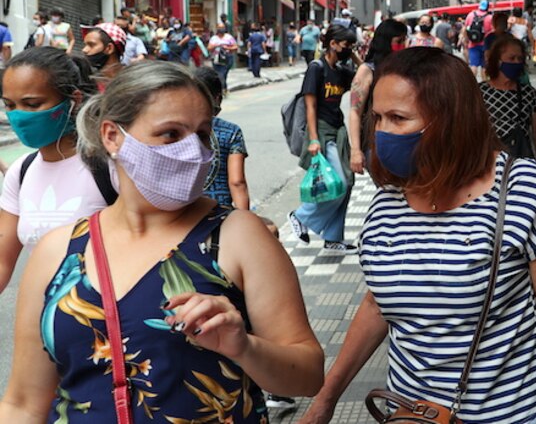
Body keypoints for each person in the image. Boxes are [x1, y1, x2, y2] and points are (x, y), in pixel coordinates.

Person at [299, 47, 536, 424]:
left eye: (398, 118)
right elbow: (378, 302)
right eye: (378, 118)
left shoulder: (522, 190)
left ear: (449, 120)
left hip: (517, 413)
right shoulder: (387, 203)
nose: (381, 132)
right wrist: (326, 399)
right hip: (412, 415)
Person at [0, 61, 324, 421]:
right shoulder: (57, 251)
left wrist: (245, 347)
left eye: (202, 134)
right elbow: (23, 402)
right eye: (170, 134)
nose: (194, 152)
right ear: (112, 136)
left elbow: (308, 376)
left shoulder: (240, 236)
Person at [0, 48, 104, 293]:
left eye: (32, 104)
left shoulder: (107, 168)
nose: (19, 116)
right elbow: (3, 261)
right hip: (42, 319)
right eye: (10, 105)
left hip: (109, 322)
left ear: (74, 100)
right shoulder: (20, 171)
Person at [286, 24, 360, 255]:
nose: (348, 49)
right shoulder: (316, 68)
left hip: (338, 131)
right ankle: (300, 216)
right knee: (338, 183)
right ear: (332, 43)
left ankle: (333, 238)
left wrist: (354, 54)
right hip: (321, 130)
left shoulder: (341, 70)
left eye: (352, 45)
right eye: (346, 45)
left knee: (347, 184)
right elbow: (310, 105)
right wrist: (313, 139)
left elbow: (366, 76)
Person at [347, 19, 408, 177]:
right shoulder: (367, 71)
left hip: (403, 142)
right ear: (386, 42)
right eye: (399, 41)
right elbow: (355, 112)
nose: (404, 45)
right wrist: (355, 151)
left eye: (405, 40)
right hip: (375, 144)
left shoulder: (404, 68)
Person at [480, 35, 536, 162]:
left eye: (519, 58)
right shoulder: (479, 93)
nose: (516, 62)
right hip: (489, 163)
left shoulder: (529, 93)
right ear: (498, 61)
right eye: (511, 58)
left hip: (522, 163)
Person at [195, 67, 249, 210]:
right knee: (271, 229)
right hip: (219, 211)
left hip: (180, 215)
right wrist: (244, 219)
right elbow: (237, 182)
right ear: (217, 98)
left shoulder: (174, 129)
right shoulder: (231, 131)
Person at [462, 0, 492, 78]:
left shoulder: (470, 15)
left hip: (473, 44)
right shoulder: (490, 18)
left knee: (473, 65)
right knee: (484, 66)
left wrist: (465, 41)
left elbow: (465, 29)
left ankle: (472, 85)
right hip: (486, 45)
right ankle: (484, 86)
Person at [207, 26, 239, 94]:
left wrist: (227, 47)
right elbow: (209, 48)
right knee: (220, 73)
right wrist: (216, 45)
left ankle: (223, 88)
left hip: (227, 57)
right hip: (216, 58)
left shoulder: (229, 37)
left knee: (223, 73)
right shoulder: (214, 38)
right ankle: (223, 89)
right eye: (219, 28)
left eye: (222, 28)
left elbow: (235, 47)